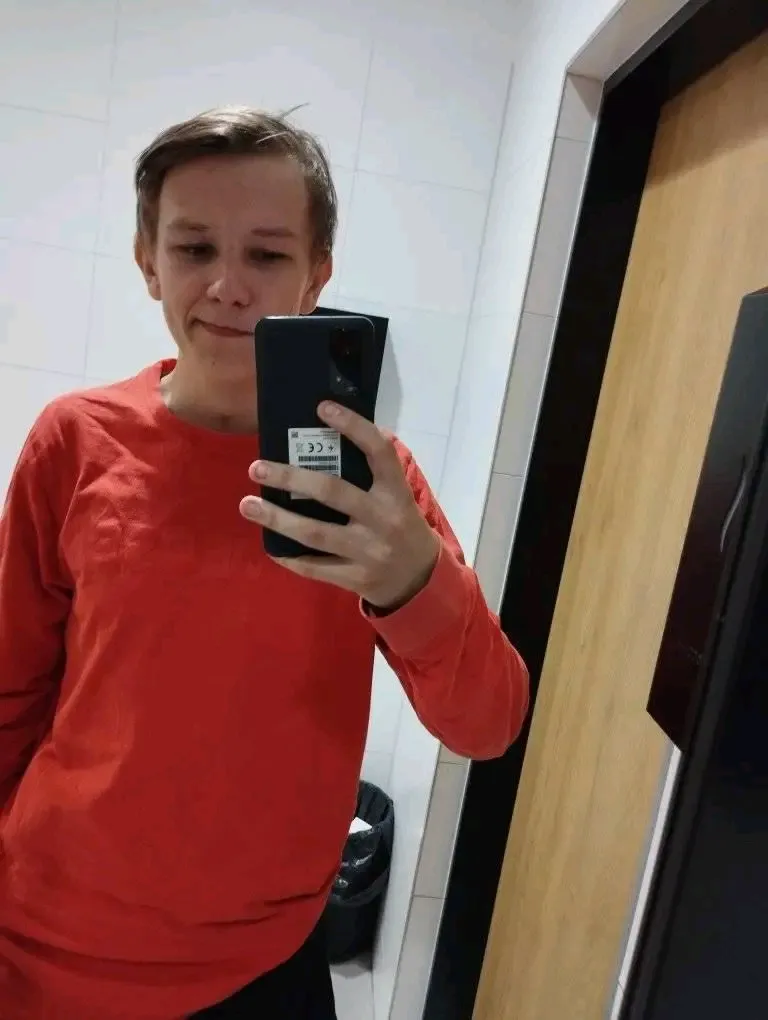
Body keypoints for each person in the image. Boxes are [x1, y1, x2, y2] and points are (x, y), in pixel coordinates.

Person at [0, 107, 529, 1019]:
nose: (228, 287)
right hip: (51, 943)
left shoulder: (377, 484)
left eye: (268, 255)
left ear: (318, 273)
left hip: (265, 960)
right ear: (147, 259)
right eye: (194, 248)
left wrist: (415, 583)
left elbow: (488, 725)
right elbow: (10, 689)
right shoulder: (75, 441)